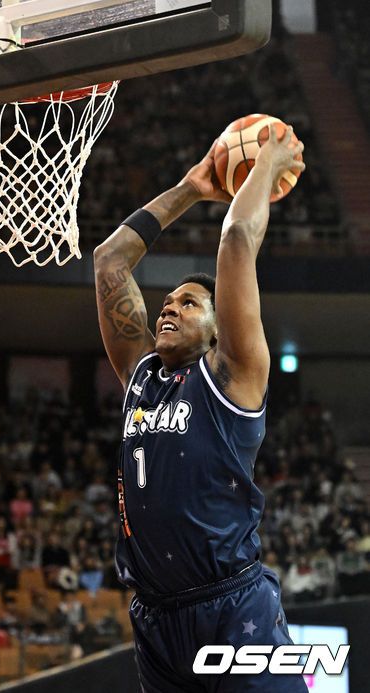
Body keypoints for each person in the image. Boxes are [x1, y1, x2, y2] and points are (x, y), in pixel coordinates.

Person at [93, 126, 307, 692]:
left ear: (218, 330)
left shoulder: (232, 374)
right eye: (166, 302)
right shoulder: (142, 376)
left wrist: (268, 161)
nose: (169, 309)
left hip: (232, 608)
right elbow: (110, 260)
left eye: (189, 304)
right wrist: (190, 188)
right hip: (156, 617)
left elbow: (236, 236)